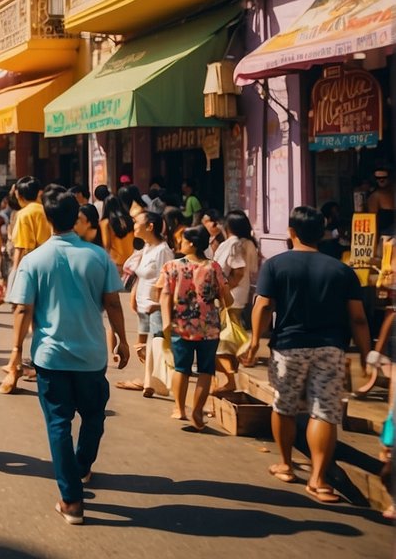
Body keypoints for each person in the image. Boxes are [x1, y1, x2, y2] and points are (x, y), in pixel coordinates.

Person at [6, 186, 129, 525]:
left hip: (51, 357)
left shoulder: (34, 260)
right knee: (94, 416)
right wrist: (122, 338)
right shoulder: (98, 256)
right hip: (91, 354)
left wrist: (16, 351)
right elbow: (114, 303)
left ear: (47, 220)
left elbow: (22, 310)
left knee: (58, 424)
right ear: (76, 218)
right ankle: (82, 466)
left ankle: (71, 499)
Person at [241, 206, 371, 503]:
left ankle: (286, 465)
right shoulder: (341, 270)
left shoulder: (276, 265)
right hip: (330, 347)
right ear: (322, 234)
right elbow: (359, 318)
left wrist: (253, 342)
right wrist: (366, 354)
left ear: (291, 232)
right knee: (324, 411)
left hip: (289, 346)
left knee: (284, 406)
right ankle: (319, 479)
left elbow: (263, 306)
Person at [159, 225, 232, 431]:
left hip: (180, 325)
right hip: (209, 327)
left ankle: (179, 408)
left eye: (182, 240)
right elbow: (227, 298)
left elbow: (164, 294)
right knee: (206, 370)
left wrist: (165, 321)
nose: (180, 243)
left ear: (191, 243)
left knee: (181, 368)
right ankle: (198, 410)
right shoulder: (213, 267)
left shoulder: (172, 266)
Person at [115, 211, 174, 396]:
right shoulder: (147, 247)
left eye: (137, 222)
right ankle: (149, 380)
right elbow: (140, 276)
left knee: (156, 345)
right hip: (143, 305)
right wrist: (134, 295)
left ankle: (151, 382)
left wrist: (161, 305)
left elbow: (168, 281)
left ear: (150, 226)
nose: (134, 226)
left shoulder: (163, 251)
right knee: (143, 347)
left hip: (155, 306)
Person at [2, 176, 51, 393]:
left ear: (19, 196)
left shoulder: (23, 214)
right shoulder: (45, 210)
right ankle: (34, 362)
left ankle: (17, 361)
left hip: (29, 266)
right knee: (41, 317)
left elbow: (20, 248)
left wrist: (15, 274)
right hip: (49, 265)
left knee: (22, 315)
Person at [213, 210, 260, 393]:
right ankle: (231, 375)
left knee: (225, 337)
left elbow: (238, 271)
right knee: (231, 333)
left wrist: (224, 290)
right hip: (238, 293)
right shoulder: (248, 243)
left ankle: (230, 377)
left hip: (230, 294)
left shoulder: (234, 245)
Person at [99, 195, 134, 271]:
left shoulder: (105, 223)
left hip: (116, 262)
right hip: (132, 260)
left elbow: (106, 244)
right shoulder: (130, 219)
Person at [369, 166, 395, 236]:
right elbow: (373, 221)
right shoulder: (374, 197)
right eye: (378, 178)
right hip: (385, 235)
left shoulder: (393, 192)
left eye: (384, 177)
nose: (381, 180)